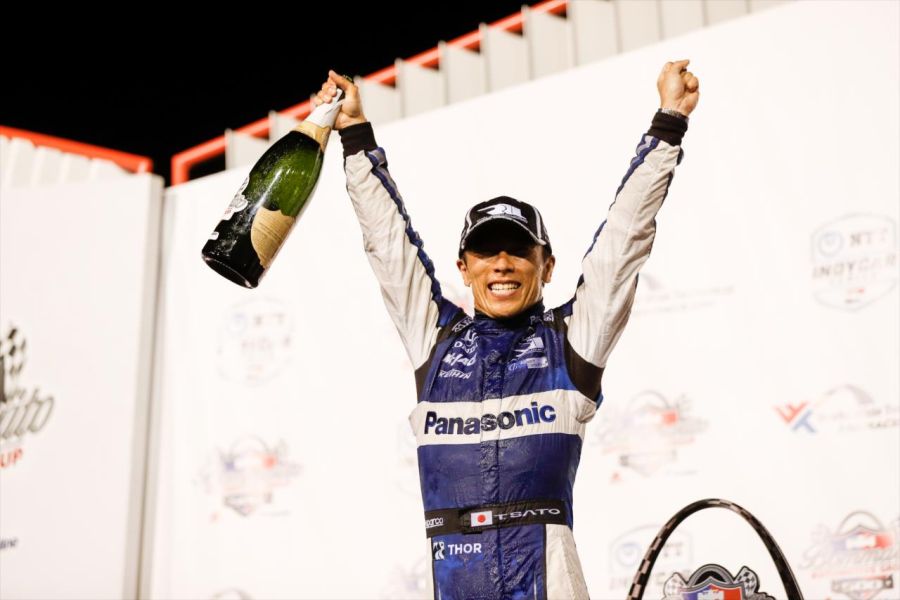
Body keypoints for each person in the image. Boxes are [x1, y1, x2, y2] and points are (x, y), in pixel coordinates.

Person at [314, 60, 700, 599]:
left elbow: (623, 242)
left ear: (547, 267)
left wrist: (667, 124)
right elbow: (388, 243)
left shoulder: (571, 343)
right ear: (463, 267)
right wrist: (355, 137)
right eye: (486, 250)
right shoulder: (435, 339)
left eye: (519, 250)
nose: (502, 263)